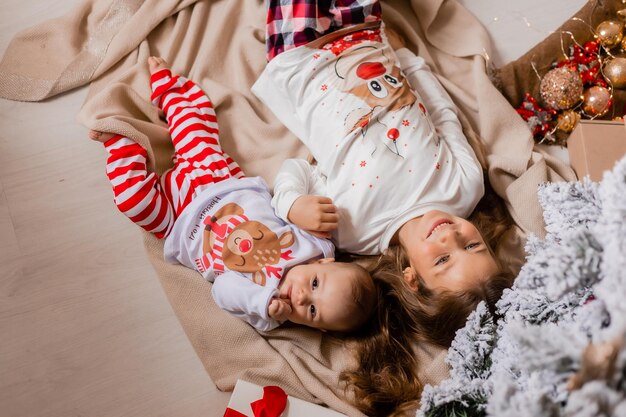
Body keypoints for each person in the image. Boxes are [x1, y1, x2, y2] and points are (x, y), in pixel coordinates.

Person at [252, 0, 515, 413]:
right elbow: (444, 117)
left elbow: (295, 170)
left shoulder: (354, 230)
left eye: (443, 259)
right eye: (473, 246)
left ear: (411, 278)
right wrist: (404, 56)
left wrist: (292, 205)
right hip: (368, 39)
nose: (450, 235)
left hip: (303, 62)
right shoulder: (466, 188)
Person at [90, 56, 376, 333]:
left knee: (134, 202)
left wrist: (262, 303)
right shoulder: (313, 244)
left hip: (178, 222)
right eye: (314, 284)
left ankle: (123, 146)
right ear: (325, 263)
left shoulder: (267, 315)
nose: (301, 298)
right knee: (194, 130)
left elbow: (223, 290)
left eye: (312, 311)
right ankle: (169, 88)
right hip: (222, 185)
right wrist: (301, 207)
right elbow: (301, 189)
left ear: (318, 328)